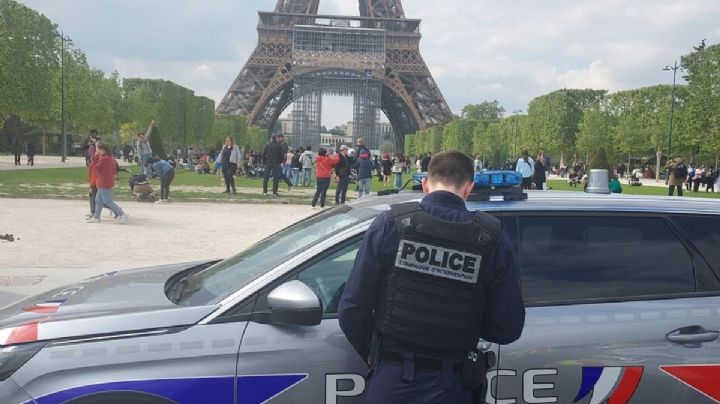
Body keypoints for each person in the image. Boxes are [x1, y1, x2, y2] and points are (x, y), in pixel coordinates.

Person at [338, 151, 525, 404]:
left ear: (425, 183)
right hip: (452, 386)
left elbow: (352, 308)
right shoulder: (492, 239)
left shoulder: (390, 225)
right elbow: (507, 328)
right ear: (468, 188)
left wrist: (379, 356)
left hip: (393, 379)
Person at [87, 143, 128, 224]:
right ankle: (96, 217)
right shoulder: (108, 158)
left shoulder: (104, 158)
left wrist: (95, 158)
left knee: (107, 200)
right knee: (98, 200)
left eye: (97, 149)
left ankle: (122, 214)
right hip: (104, 181)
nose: (96, 150)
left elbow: (97, 169)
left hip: (104, 182)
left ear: (102, 150)